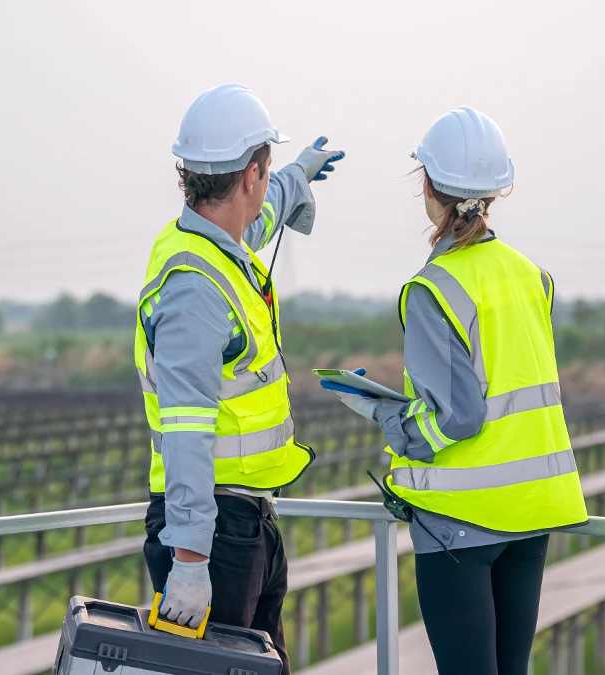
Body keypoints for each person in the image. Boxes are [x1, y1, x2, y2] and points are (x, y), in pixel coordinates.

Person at [323, 107, 588, 675]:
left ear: (428, 186)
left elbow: (459, 417)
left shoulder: (432, 288)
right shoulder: (531, 275)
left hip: (459, 523)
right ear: (494, 193)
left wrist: (385, 416)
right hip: (532, 511)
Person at [138, 83, 344, 675]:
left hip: (246, 523)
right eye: (269, 166)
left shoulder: (216, 243)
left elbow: (264, 213)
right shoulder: (195, 288)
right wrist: (190, 561)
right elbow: (185, 430)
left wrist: (299, 175)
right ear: (249, 172)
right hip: (215, 535)